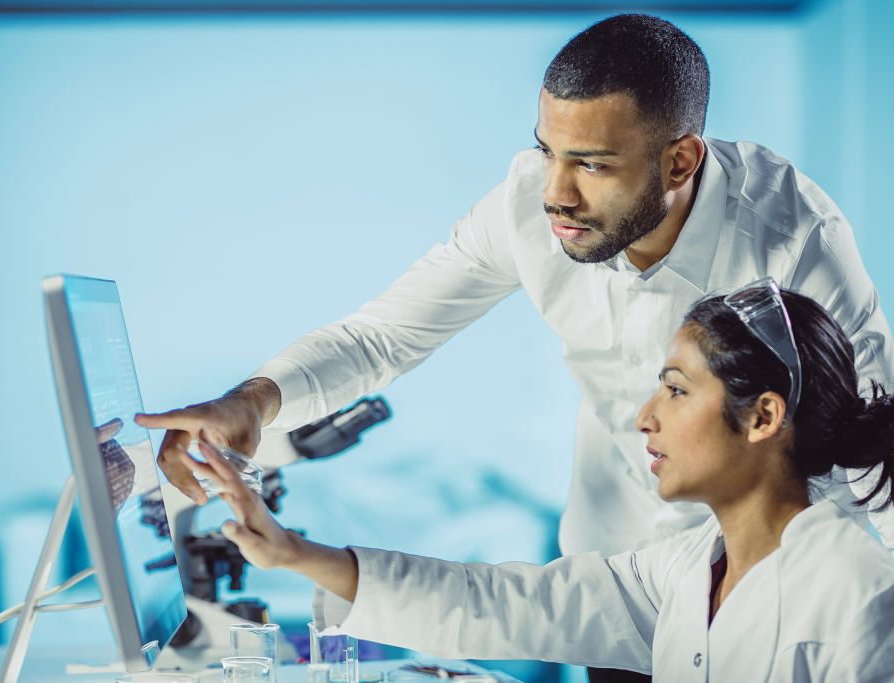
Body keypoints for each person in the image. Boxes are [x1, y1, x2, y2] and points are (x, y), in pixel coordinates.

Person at [137, 14, 894, 681]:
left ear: (680, 161)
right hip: (632, 577)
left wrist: (864, 592)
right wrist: (253, 401)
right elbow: (382, 334)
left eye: (593, 164)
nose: (555, 193)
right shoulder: (529, 204)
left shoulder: (795, 239)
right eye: (547, 152)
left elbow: (875, 431)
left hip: (782, 579)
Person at [186, 285, 894, 680]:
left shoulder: (859, 599)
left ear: (763, 416)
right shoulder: (683, 570)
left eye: (675, 390)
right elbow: (506, 603)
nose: (644, 417)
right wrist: (289, 552)